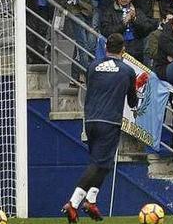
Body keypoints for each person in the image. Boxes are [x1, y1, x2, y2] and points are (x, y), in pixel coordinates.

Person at [62, 33, 137, 223]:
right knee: (98, 163)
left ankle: (91, 200)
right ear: (123, 50)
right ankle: (73, 203)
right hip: (109, 121)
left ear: (106, 48)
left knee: (104, 163)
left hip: (90, 120)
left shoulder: (92, 66)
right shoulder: (127, 71)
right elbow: (132, 100)